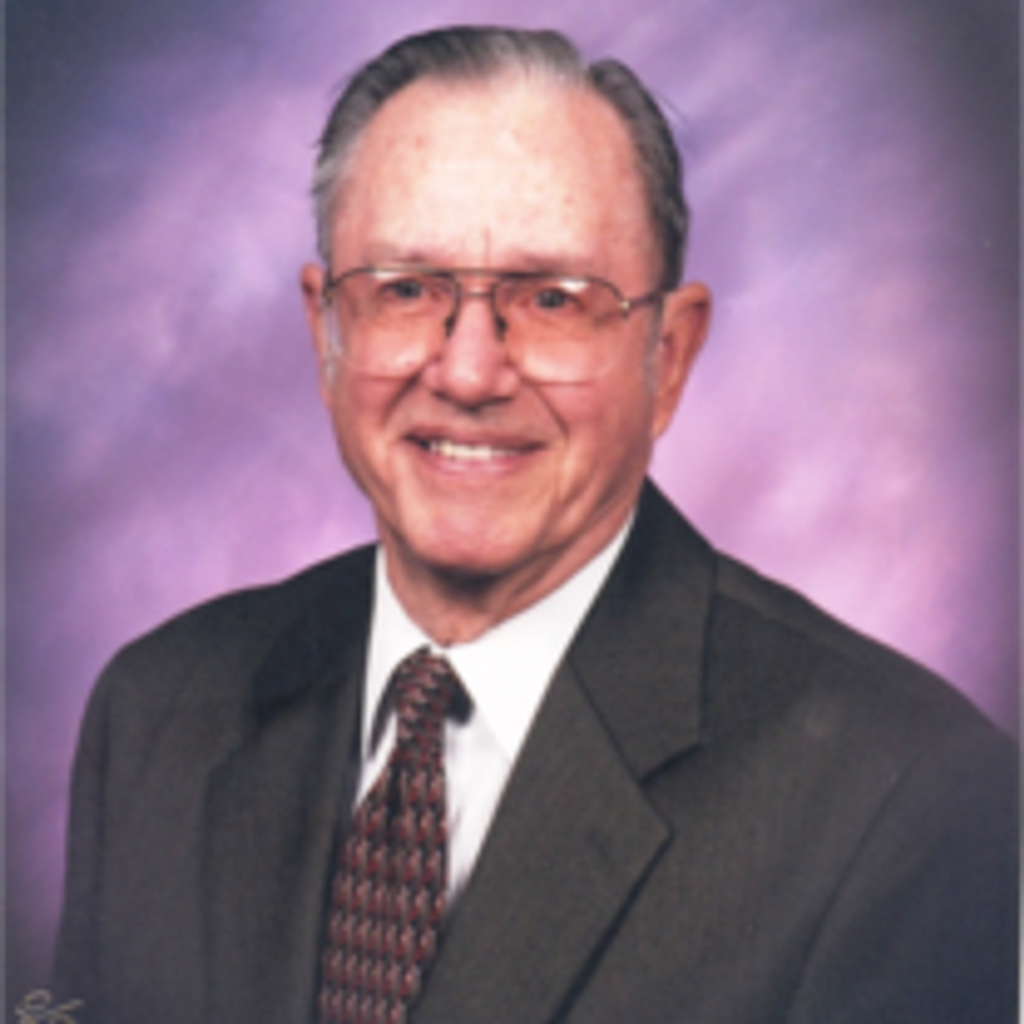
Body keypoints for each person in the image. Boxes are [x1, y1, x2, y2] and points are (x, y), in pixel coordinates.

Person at [52, 25, 1019, 1024]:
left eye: (554, 298)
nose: (469, 372)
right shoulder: (158, 714)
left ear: (669, 356)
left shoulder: (908, 803)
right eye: (405, 289)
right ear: (326, 334)